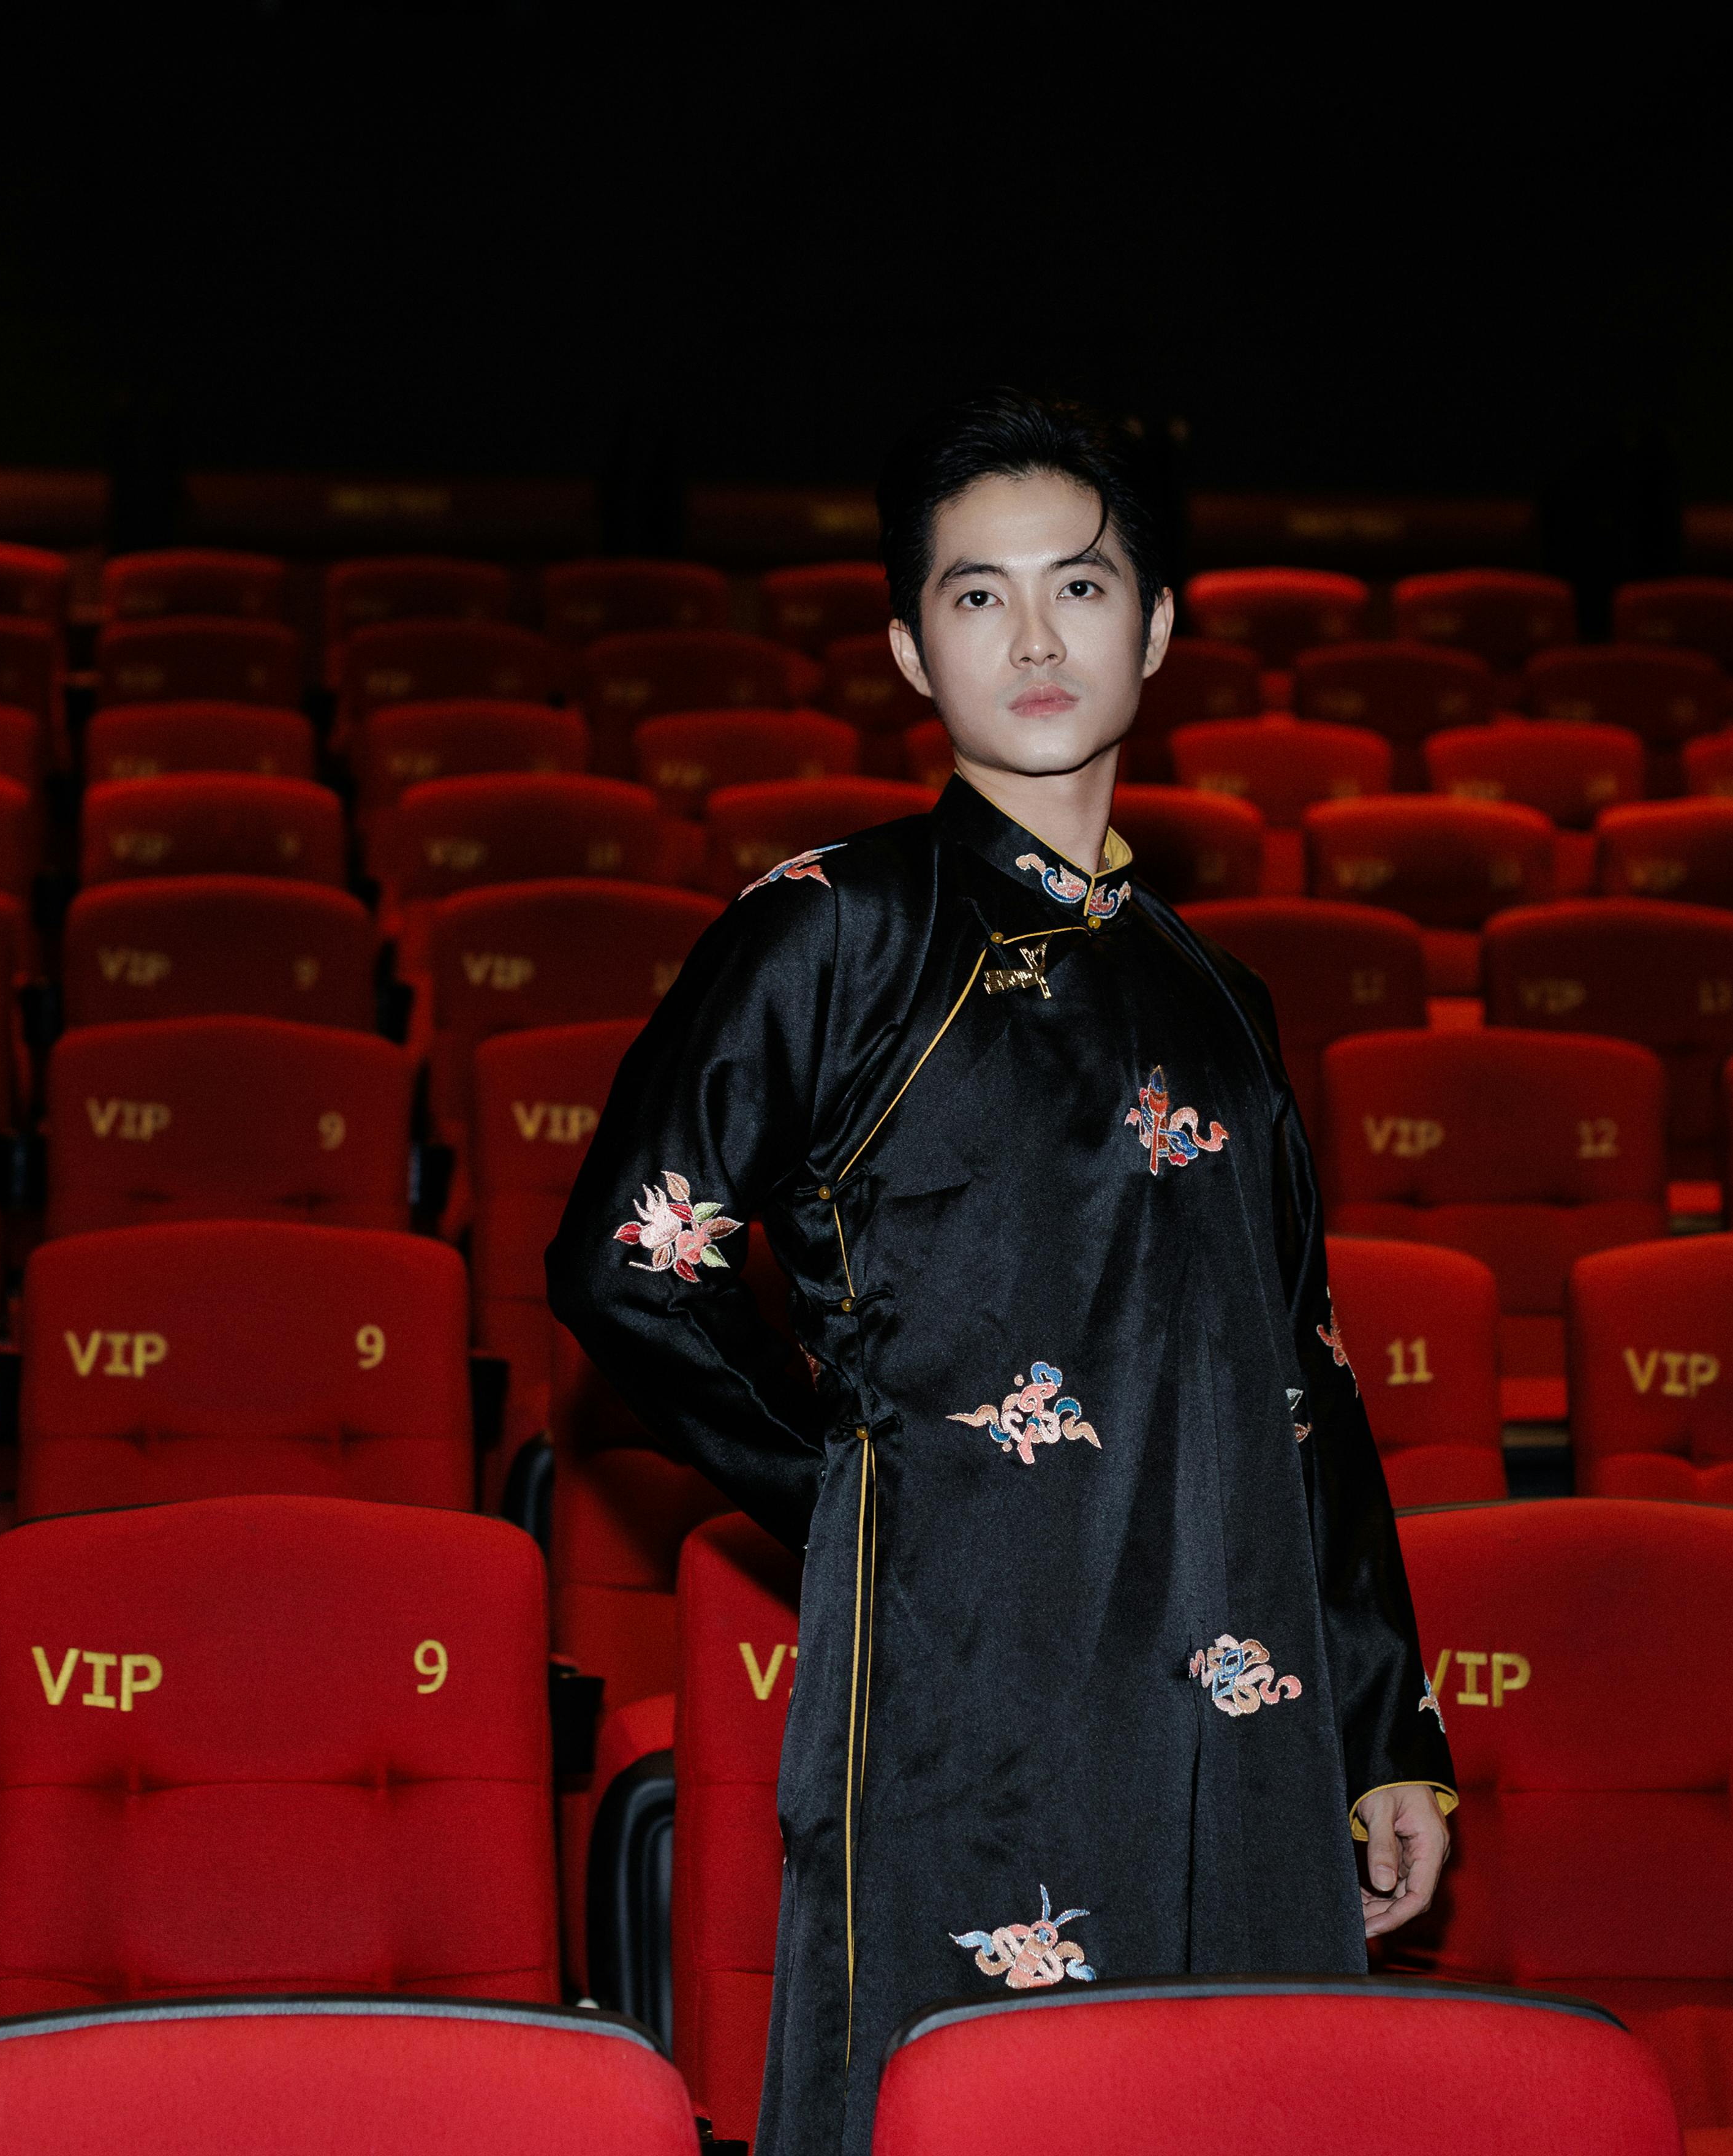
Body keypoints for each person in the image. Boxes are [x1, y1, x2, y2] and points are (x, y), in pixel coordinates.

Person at [546, 388, 1454, 2156]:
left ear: (1160, 627)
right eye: (976, 598)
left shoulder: (1222, 997)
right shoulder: (833, 926)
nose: (1033, 638)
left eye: (1081, 588)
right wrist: (849, 1496)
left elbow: (1304, 1376)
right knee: (967, 2106)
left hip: (1242, 1687)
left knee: (1246, 2106)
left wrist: (1379, 1721)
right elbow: (625, 1269)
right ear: (906, 649)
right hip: (973, 1680)